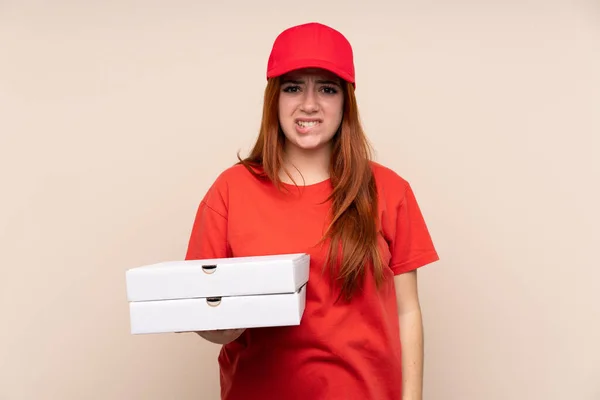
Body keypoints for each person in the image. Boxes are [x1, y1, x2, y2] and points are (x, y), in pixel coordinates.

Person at [184, 22, 439, 400]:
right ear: (274, 98)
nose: (309, 104)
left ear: (345, 101)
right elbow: (200, 306)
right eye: (292, 87)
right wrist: (220, 327)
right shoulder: (230, 191)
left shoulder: (389, 191)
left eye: (326, 89)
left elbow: (407, 313)